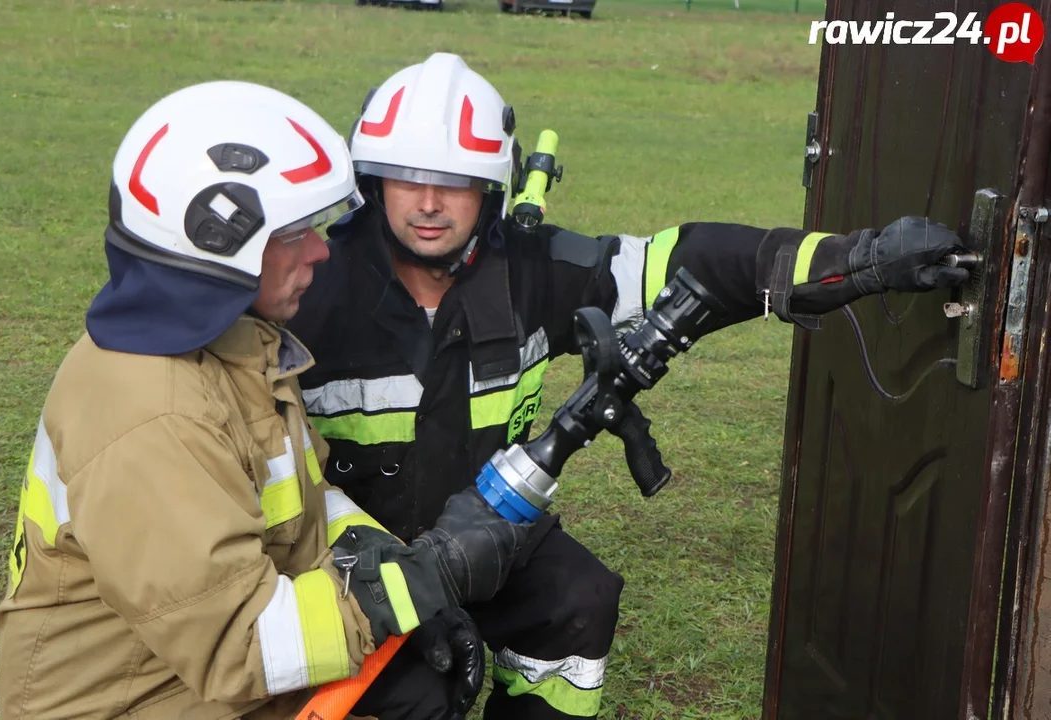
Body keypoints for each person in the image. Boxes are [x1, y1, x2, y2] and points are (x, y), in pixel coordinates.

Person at [285, 52, 970, 720]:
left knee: (578, 600)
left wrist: (858, 260)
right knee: (419, 694)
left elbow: (687, 261)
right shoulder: (307, 292)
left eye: (455, 181)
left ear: (493, 186)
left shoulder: (527, 270)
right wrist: (399, 586)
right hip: (350, 555)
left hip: (489, 530)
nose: (430, 204)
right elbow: (261, 479)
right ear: (371, 182)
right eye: (408, 179)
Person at [0, 80, 530, 720]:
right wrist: (421, 582)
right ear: (217, 242)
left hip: (175, 666)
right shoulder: (150, 413)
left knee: (416, 685)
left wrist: (382, 556)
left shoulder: (235, 345)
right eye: (295, 232)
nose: (320, 250)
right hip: (126, 697)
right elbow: (241, 645)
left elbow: (298, 500)